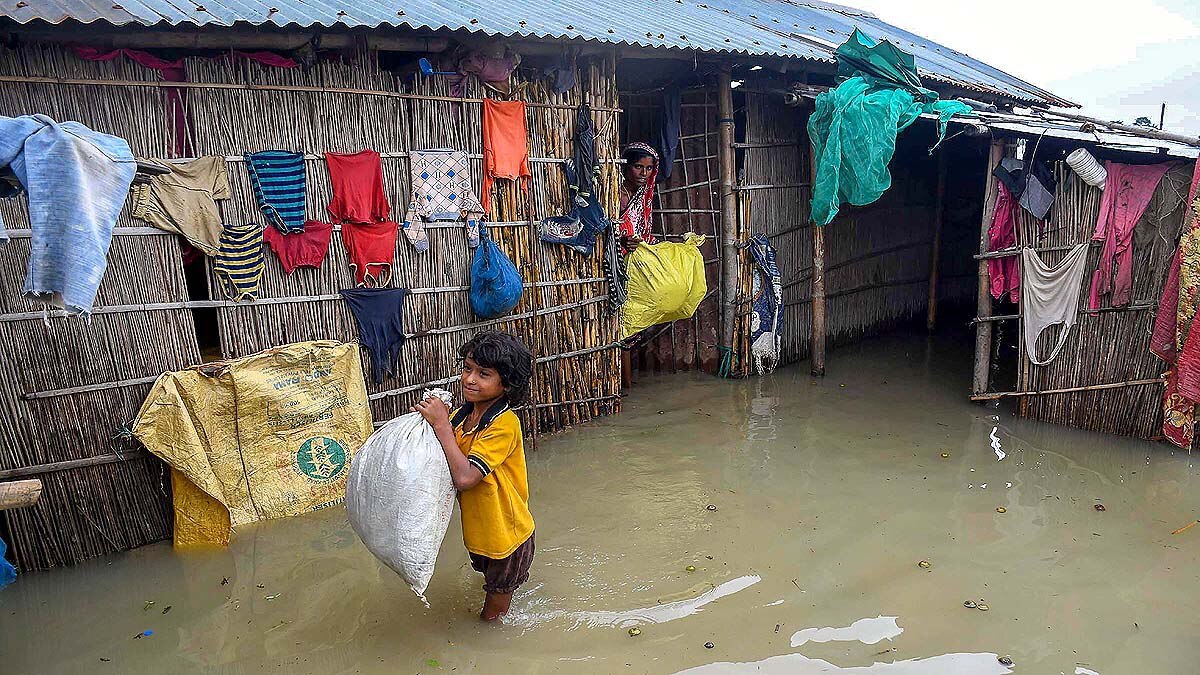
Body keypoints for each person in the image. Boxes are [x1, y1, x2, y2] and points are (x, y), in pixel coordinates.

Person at [412, 330, 536, 621]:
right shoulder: (461, 417)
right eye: (467, 369)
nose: (470, 379)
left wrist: (441, 426)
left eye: (483, 374)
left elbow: (466, 477)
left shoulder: (504, 424)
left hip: (507, 538)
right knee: (492, 585)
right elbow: (443, 453)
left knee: (492, 619)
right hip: (481, 533)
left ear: (506, 383)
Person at [618, 142, 659, 253]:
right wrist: (621, 241)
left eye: (649, 168)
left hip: (638, 253)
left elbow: (643, 233)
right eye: (638, 167)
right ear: (625, 166)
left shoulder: (643, 195)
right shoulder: (613, 195)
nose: (644, 173)